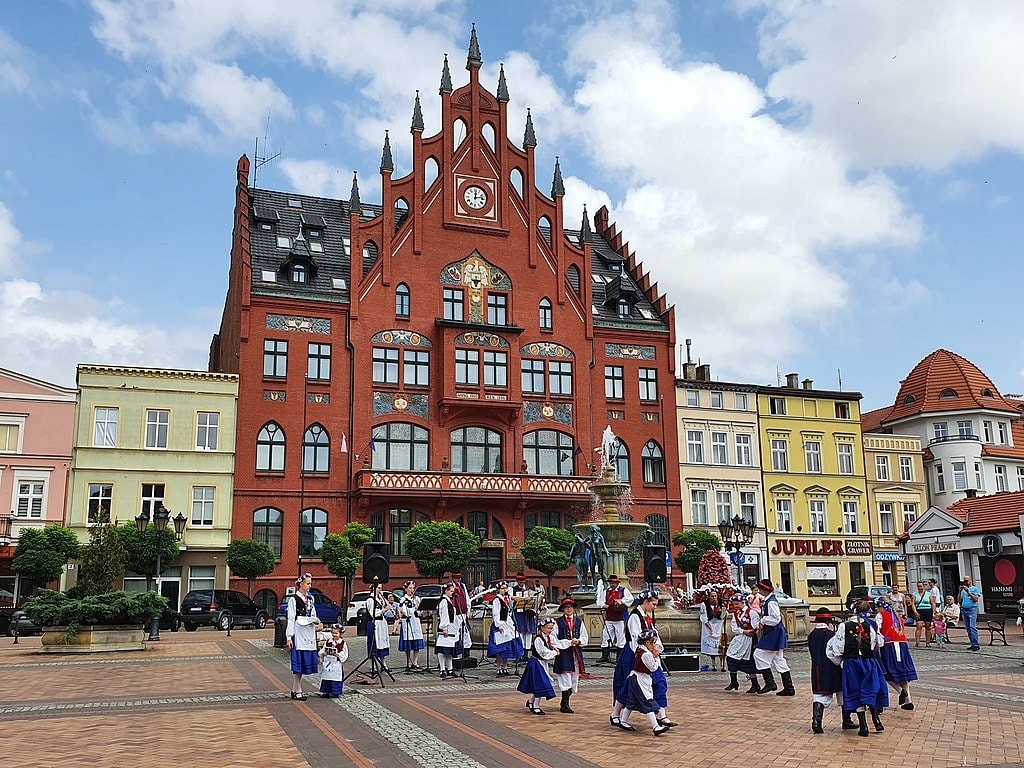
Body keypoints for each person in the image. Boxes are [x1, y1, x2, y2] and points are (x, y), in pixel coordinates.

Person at [827, 601, 888, 737]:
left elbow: (837, 648)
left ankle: (864, 726)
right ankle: (876, 721)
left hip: (852, 663)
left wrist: (843, 657)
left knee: (856, 690)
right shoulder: (870, 625)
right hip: (868, 662)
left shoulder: (844, 626)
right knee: (870, 689)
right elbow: (879, 643)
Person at [807, 607, 851, 733]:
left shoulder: (811, 635)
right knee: (842, 692)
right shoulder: (831, 635)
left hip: (816, 669)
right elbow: (837, 652)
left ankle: (816, 721)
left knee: (819, 695)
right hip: (832, 668)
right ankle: (846, 720)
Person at [618, 629, 670, 736]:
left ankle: (623, 721)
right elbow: (653, 668)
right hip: (640, 679)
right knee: (648, 701)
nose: (655, 645)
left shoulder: (640, 649)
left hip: (636, 678)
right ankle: (656, 726)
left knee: (632, 700)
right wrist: (655, 658)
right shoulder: (646, 654)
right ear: (647, 643)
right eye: (653, 643)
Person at [874, 596, 917, 712]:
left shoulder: (880, 616)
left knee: (886, 672)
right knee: (902, 673)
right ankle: (909, 701)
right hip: (902, 645)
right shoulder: (898, 616)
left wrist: (877, 645)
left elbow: (878, 631)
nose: (877, 609)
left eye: (878, 607)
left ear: (882, 606)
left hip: (889, 645)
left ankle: (901, 691)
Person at [752, 579, 794, 696]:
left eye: (761, 589)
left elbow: (776, 618)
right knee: (778, 659)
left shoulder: (771, 602)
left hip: (773, 632)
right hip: (774, 631)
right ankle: (789, 687)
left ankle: (770, 683)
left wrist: (763, 620)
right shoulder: (768, 600)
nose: (760, 591)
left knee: (758, 654)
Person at [285, 572, 323, 700]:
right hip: (299, 633)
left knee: (302, 664)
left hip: (309, 633)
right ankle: (298, 690)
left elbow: (314, 614)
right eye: (308, 583)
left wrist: (318, 622)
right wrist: (289, 637)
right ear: (300, 584)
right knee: (299, 664)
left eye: (310, 583)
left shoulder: (311, 599)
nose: (310, 586)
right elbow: (290, 618)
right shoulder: (293, 600)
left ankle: (295, 689)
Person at [552, 597, 589, 713]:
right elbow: (553, 639)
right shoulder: (557, 622)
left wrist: (579, 641)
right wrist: (567, 643)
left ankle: (565, 700)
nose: (569, 609)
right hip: (564, 653)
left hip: (576, 653)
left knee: (574, 678)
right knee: (565, 676)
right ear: (563, 609)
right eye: (566, 607)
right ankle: (565, 704)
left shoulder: (579, 621)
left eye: (571, 607)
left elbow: (585, 637)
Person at [518, 616, 558, 714]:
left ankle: (531, 702)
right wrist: (554, 653)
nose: (550, 630)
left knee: (541, 683)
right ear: (542, 628)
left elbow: (556, 643)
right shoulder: (538, 639)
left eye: (551, 628)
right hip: (536, 663)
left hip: (542, 663)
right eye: (548, 628)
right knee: (540, 683)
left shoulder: (549, 637)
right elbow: (543, 653)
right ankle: (535, 706)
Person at [725, 593, 761, 694]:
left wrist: (751, 631)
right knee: (730, 657)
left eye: (737, 604)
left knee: (749, 661)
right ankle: (734, 681)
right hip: (739, 638)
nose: (735, 606)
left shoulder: (751, 612)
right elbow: (734, 628)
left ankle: (755, 684)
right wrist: (743, 631)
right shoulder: (736, 614)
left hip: (749, 640)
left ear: (742, 602)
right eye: (734, 604)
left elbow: (756, 626)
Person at [487, 581, 522, 676]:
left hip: (508, 623)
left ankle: (505, 667)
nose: (504, 590)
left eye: (506, 588)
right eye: (502, 588)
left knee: (507, 647)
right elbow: (495, 614)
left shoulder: (507, 598)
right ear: (499, 589)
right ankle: (499, 668)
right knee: (500, 647)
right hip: (500, 624)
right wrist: (499, 625)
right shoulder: (497, 600)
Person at [597, 574, 633, 664]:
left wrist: (621, 601)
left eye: (614, 583)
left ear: (617, 583)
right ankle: (604, 656)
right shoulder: (606, 592)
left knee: (621, 638)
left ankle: (619, 657)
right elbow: (600, 601)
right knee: (606, 636)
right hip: (609, 618)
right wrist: (603, 605)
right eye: (611, 583)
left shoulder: (623, 591)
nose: (612, 584)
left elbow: (630, 599)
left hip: (620, 618)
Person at [361, 584, 392, 681]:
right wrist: (384, 610)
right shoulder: (370, 600)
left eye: (381, 588)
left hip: (382, 623)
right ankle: (372, 666)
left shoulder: (380, 598)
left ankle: (383, 664)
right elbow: (372, 613)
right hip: (374, 623)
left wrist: (386, 604)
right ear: (373, 589)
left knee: (383, 643)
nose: (380, 590)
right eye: (378, 588)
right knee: (373, 644)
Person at [435, 581, 462, 679]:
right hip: (445, 627)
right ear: (445, 591)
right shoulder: (444, 601)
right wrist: (444, 628)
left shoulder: (450, 601)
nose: (452, 593)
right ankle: (442, 669)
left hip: (451, 627)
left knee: (450, 650)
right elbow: (444, 616)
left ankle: (450, 669)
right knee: (442, 649)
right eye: (451, 591)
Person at [398, 580, 425, 672]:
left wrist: (418, 609)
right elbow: (404, 611)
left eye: (413, 588)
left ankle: (415, 662)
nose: (412, 590)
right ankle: (408, 662)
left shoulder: (416, 598)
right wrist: (413, 609)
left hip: (416, 622)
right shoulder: (403, 599)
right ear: (405, 589)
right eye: (410, 588)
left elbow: (420, 612)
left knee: (416, 643)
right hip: (408, 622)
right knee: (408, 643)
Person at [511, 572, 538, 659]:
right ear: (517, 580)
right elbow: (510, 603)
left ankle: (526, 653)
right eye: (519, 580)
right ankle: (520, 652)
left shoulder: (528, 589)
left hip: (528, 613)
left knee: (529, 632)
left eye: (522, 580)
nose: (521, 582)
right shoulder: (513, 589)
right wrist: (513, 598)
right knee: (520, 632)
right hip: (519, 614)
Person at [318, 624, 349, 698]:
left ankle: (336, 692)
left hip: (336, 663)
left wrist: (339, 655)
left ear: (340, 634)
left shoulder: (342, 643)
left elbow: (345, 653)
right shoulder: (328, 641)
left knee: (335, 677)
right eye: (333, 633)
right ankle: (326, 691)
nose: (334, 635)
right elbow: (323, 650)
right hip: (328, 662)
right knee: (327, 677)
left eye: (336, 633)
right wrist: (323, 653)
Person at [699, 590, 724, 671]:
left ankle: (722, 664)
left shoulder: (721, 603)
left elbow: (724, 614)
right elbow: (703, 617)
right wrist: (709, 628)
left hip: (718, 627)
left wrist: (724, 612)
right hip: (709, 626)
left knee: (721, 646)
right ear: (709, 597)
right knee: (711, 648)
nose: (714, 598)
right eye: (712, 596)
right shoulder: (704, 604)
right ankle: (713, 664)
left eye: (715, 596)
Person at [959, 575, 983, 651]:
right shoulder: (963, 590)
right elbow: (959, 600)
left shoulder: (975, 589)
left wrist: (968, 591)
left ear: (970, 580)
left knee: (972, 627)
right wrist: (960, 591)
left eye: (967, 581)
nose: (966, 582)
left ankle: (976, 644)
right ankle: (972, 643)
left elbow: (976, 599)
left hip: (972, 609)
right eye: (964, 581)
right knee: (968, 628)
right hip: (964, 609)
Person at [911, 581, 934, 647]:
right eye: (918, 586)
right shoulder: (914, 594)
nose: (920, 588)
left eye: (921, 586)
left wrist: (933, 612)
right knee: (919, 626)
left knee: (928, 626)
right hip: (919, 610)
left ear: (924, 586)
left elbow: (932, 603)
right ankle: (917, 642)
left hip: (928, 610)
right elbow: (913, 603)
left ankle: (928, 642)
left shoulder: (928, 594)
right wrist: (915, 611)